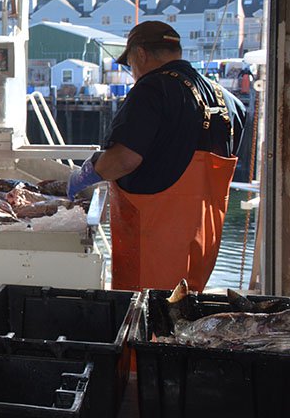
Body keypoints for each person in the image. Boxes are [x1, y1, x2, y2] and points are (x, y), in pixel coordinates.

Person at [67, 21, 245, 292]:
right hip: (202, 240)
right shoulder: (228, 101)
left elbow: (125, 159)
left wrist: (87, 173)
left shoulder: (152, 89)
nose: (133, 72)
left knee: (146, 315)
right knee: (185, 306)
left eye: (131, 64)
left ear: (140, 54)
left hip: (153, 238)